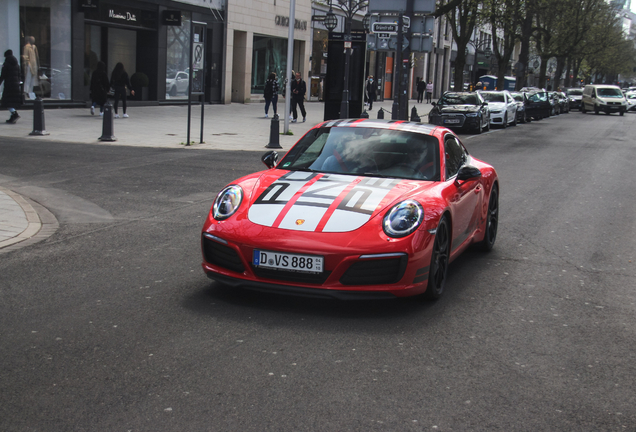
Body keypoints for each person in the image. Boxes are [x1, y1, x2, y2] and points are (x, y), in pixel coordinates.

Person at [1, 49, 23, 124]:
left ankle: (14, 114)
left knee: (7, 101)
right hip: (16, 85)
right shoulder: (17, 64)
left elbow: (3, 75)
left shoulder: (6, 63)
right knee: (12, 101)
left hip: (9, 85)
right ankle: (13, 115)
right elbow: (19, 74)